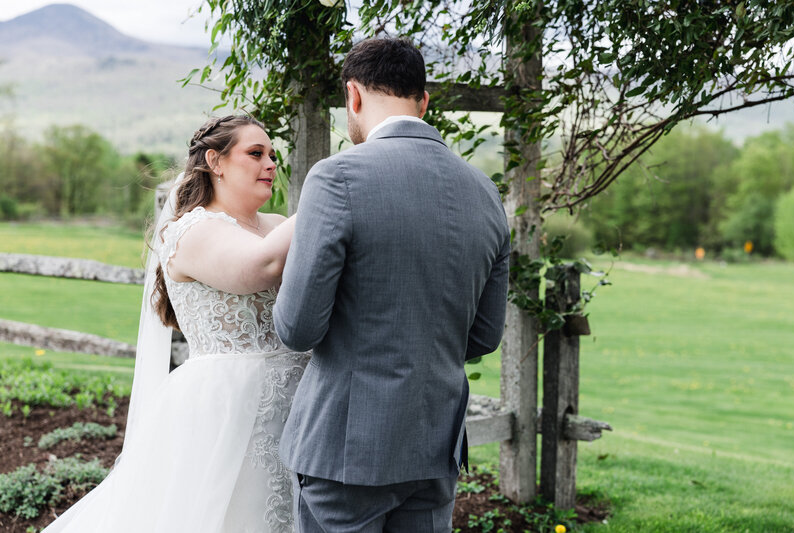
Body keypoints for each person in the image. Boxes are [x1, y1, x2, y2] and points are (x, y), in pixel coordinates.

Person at [274, 37, 510, 533]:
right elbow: (485, 337)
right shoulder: (485, 192)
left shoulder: (336, 178)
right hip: (433, 449)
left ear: (353, 96)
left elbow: (297, 327)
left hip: (344, 453)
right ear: (424, 102)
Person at [43, 115, 309, 533]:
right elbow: (261, 266)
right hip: (232, 412)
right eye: (255, 153)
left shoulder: (276, 226)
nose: (271, 163)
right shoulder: (190, 231)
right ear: (215, 161)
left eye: (272, 155)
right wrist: (331, 192)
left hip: (300, 407)